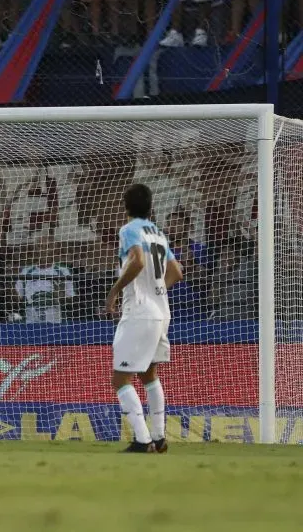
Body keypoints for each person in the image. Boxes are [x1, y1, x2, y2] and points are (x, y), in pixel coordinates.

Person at [105, 183, 183, 454]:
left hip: (140, 312)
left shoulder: (129, 230)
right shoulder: (158, 233)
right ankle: (159, 437)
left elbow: (137, 260)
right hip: (162, 311)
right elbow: (177, 270)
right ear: (151, 207)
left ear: (125, 205)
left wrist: (115, 290)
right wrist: (157, 290)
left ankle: (142, 439)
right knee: (149, 374)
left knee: (120, 379)